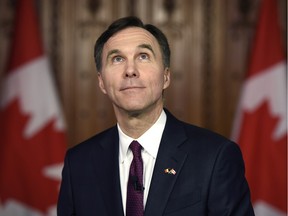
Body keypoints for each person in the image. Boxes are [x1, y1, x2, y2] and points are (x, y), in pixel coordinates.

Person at [57, 16, 255, 216]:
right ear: (101, 82)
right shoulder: (78, 164)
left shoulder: (215, 157)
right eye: (117, 59)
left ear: (166, 76)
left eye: (143, 56)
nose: (130, 70)